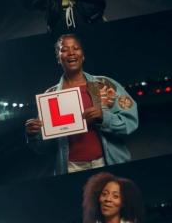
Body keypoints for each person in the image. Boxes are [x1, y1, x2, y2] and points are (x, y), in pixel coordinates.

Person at [25, 34, 138, 175]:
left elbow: (131, 122)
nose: (71, 52)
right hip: (70, 168)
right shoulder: (50, 95)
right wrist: (33, 135)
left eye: (76, 48)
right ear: (58, 58)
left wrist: (104, 118)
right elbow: (42, 148)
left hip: (107, 161)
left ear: (83, 55)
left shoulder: (105, 85)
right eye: (64, 49)